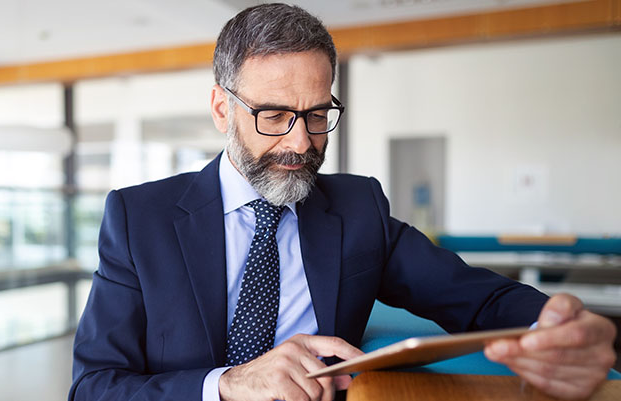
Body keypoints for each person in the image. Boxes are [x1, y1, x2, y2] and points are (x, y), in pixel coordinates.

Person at [70, 3, 617, 401]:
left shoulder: (358, 208)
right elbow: (93, 387)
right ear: (221, 109)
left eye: (316, 115)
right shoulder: (139, 219)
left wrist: (557, 325)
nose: (301, 142)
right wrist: (227, 385)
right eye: (275, 115)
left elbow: (474, 298)